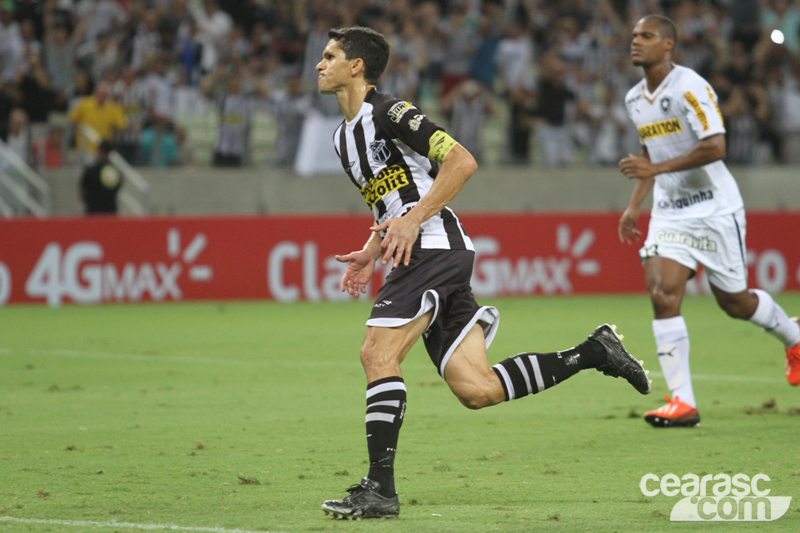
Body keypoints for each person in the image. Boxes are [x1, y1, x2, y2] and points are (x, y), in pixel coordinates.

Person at [316, 26, 651, 520]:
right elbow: (391, 197)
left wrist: (412, 220)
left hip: (433, 246)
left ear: (356, 66)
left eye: (330, 56)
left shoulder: (390, 112)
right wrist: (372, 247)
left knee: (377, 353)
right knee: (478, 389)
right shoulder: (343, 138)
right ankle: (594, 351)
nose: (320, 64)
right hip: (421, 248)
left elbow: (461, 161)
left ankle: (379, 490)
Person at [617, 15, 800, 429]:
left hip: (715, 208)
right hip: (670, 211)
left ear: (668, 44)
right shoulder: (634, 99)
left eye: (646, 35)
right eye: (634, 36)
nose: (636, 41)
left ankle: (794, 338)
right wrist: (634, 206)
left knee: (735, 303)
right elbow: (649, 155)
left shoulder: (691, 86)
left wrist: (656, 168)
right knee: (662, 293)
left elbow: (716, 146)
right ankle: (682, 402)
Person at [80, 140, 123, 214]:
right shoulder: (115, 171)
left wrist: (89, 201)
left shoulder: (91, 170)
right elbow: (118, 186)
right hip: (110, 211)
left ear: (100, 151)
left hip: (93, 211)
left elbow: (83, 191)